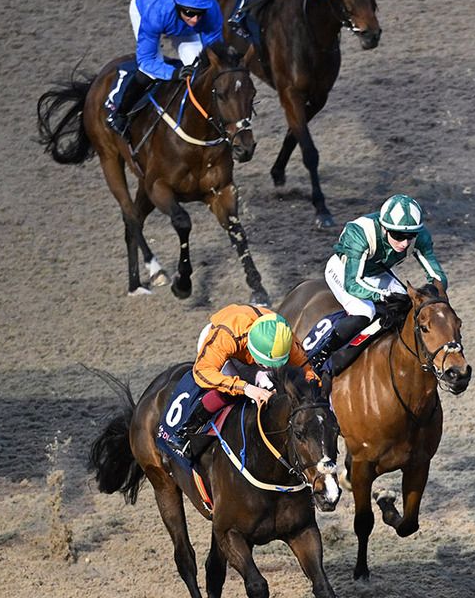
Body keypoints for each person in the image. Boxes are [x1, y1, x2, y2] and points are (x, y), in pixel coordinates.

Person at [307, 194, 448, 379]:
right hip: (344, 271)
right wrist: (382, 296)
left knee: (408, 309)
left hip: (378, 271)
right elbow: (353, 284)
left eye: (410, 236)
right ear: (384, 227)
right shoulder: (360, 233)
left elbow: (437, 276)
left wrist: (433, 293)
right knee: (365, 312)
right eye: (398, 235)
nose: (405, 243)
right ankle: (322, 355)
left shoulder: (419, 236)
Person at [163, 305, 318, 458]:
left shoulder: (286, 341)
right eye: (265, 363)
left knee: (273, 385)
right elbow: (202, 372)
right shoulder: (226, 337)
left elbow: (309, 373)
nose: (269, 367)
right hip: (222, 343)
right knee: (230, 390)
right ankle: (184, 432)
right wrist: (245, 388)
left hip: (251, 343)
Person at [107, 0, 225, 135]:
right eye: (189, 13)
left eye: (200, 13)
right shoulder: (155, 13)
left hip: (182, 27)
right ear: (178, 6)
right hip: (147, 11)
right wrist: (174, 73)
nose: (195, 20)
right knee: (150, 73)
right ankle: (120, 113)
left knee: (201, 70)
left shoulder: (211, 12)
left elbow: (214, 51)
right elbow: (146, 61)